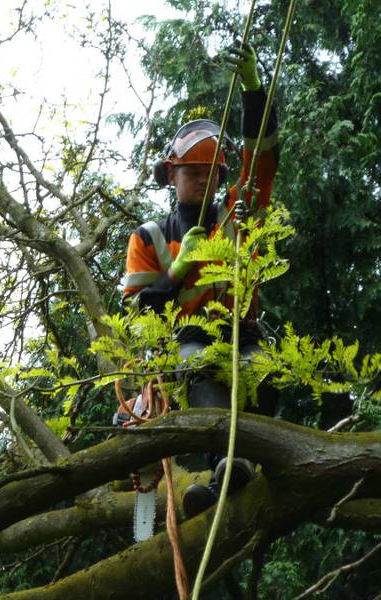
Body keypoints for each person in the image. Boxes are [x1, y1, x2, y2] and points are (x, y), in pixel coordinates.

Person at [122, 44, 280, 517]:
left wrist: (254, 90)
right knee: (204, 365)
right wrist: (176, 272)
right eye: (192, 172)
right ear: (173, 175)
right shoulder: (150, 236)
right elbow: (138, 314)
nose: (202, 180)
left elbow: (262, 159)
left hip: (245, 333)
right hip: (191, 339)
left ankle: (238, 470)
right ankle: (225, 464)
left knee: (266, 374)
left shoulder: (235, 212)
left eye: (210, 172)